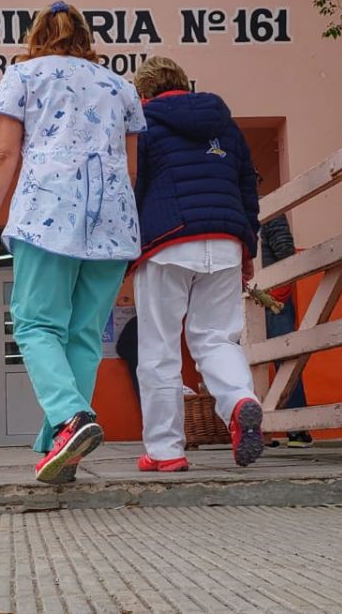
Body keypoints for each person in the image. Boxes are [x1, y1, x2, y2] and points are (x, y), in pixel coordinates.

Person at [0, 1, 146, 484]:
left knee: (34, 324)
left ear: (36, 36)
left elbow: (4, 152)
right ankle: (63, 445)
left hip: (47, 211)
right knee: (84, 333)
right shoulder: (121, 86)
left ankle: (71, 418)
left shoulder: (24, 75)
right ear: (85, 37)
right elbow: (131, 168)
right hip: (113, 217)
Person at [130, 56, 264, 473]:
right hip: (225, 239)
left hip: (166, 241)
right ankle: (241, 400)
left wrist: (124, 248)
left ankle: (165, 450)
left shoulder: (143, 125)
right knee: (217, 338)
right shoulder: (227, 125)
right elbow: (248, 187)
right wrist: (247, 247)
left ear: (143, 93)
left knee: (159, 347)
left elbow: (133, 185)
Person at [259, 214, 314, 448]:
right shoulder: (269, 210)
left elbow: (285, 252)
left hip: (260, 297)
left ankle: (254, 431)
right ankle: (296, 429)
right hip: (271, 297)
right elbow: (285, 252)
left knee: (251, 362)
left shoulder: (254, 211)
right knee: (285, 361)